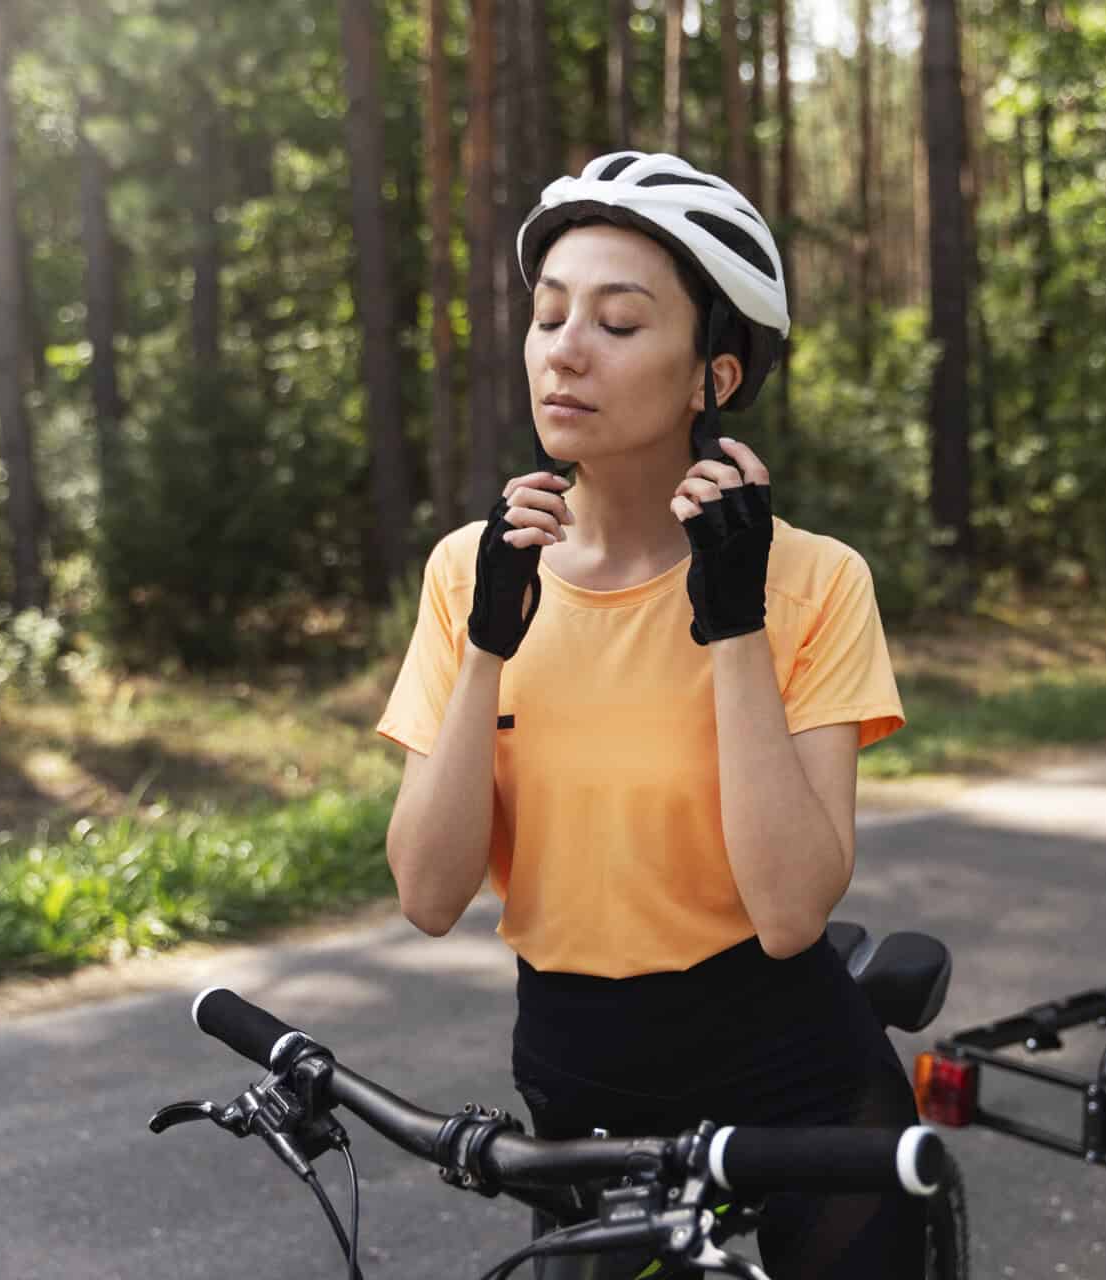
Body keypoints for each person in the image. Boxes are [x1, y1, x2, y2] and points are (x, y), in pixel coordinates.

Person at [376, 151, 920, 1278]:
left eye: (619, 323)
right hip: (579, 1072)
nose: (565, 348)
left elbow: (788, 910)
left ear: (709, 379)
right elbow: (429, 895)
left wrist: (733, 625)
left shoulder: (814, 580)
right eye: (548, 315)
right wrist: (487, 648)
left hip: (792, 1067)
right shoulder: (465, 572)